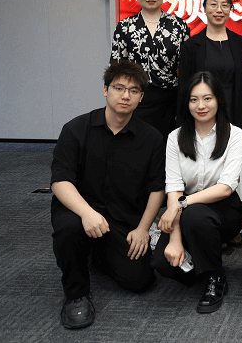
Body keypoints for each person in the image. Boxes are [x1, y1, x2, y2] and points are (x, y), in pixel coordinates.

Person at [50, 60, 165, 329]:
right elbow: (60, 181)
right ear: (105, 90)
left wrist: (143, 229)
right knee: (69, 230)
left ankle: (96, 254)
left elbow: (157, 188)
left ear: (141, 97)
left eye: (134, 91)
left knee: (140, 280)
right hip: (79, 212)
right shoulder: (75, 129)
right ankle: (76, 295)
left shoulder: (151, 138)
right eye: (119, 88)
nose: (126, 96)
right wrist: (87, 213)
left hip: (122, 219)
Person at [152, 72, 242, 314]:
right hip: (187, 212)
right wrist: (174, 239)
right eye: (194, 99)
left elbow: (225, 187)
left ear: (219, 100)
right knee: (162, 262)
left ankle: (215, 277)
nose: (201, 106)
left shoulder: (234, 134)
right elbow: (174, 187)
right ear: (187, 103)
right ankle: (205, 258)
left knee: (195, 216)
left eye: (207, 98)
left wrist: (180, 204)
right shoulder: (175, 138)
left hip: (225, 209)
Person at [178, 0, 242, 230]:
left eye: (225, 5)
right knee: (206, 170)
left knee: (238, 169)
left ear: (231, 9)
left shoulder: (239, 43)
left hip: (234, 112)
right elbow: (185, 88)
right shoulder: (192, 46)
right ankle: (204, 221)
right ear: (204, 8)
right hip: (202, 116)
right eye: (213, 4)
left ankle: (238, 224)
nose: (219, 10)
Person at [111, 0, 190, 141]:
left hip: (170, 101)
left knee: (167, 146)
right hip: (135, 99)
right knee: (136, 146)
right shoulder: (125, 27)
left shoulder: (179, 26)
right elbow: (117, 68)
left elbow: (186, 69)